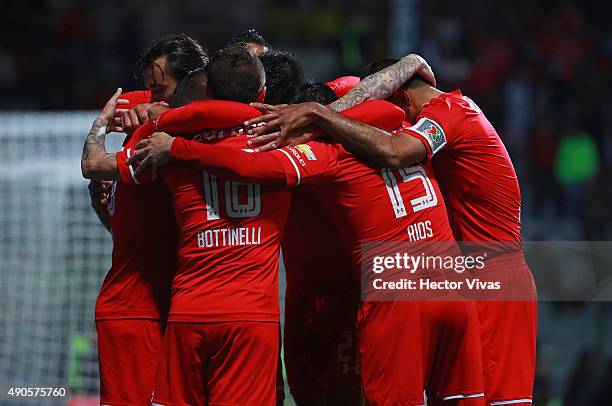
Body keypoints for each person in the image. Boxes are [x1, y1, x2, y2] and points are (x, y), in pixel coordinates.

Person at [129, 87, 485, 406]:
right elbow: (371, 100)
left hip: (394, 291)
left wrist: (177, 146)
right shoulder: (403, 125)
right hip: (453, 284)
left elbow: (252, 165)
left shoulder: (327, 152)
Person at [247, 54, 537, 406]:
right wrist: (409, 62)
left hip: (493, 277)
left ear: (401, 98)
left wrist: (319, 114)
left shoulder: (450, 113)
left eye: (396, 112)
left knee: (498, 401)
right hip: (462, 274)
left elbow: (395, 151)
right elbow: (359, 92)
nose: (394, 122)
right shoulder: (452, 110)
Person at [81, 34, 208, 405]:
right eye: (148, 90)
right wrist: (103, 207)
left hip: (188, 309)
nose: (151, 99)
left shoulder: (181, 139)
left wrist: (105, 127)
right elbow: (129, 230)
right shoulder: (145, 136)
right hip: (136, 310)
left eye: (160, 89)